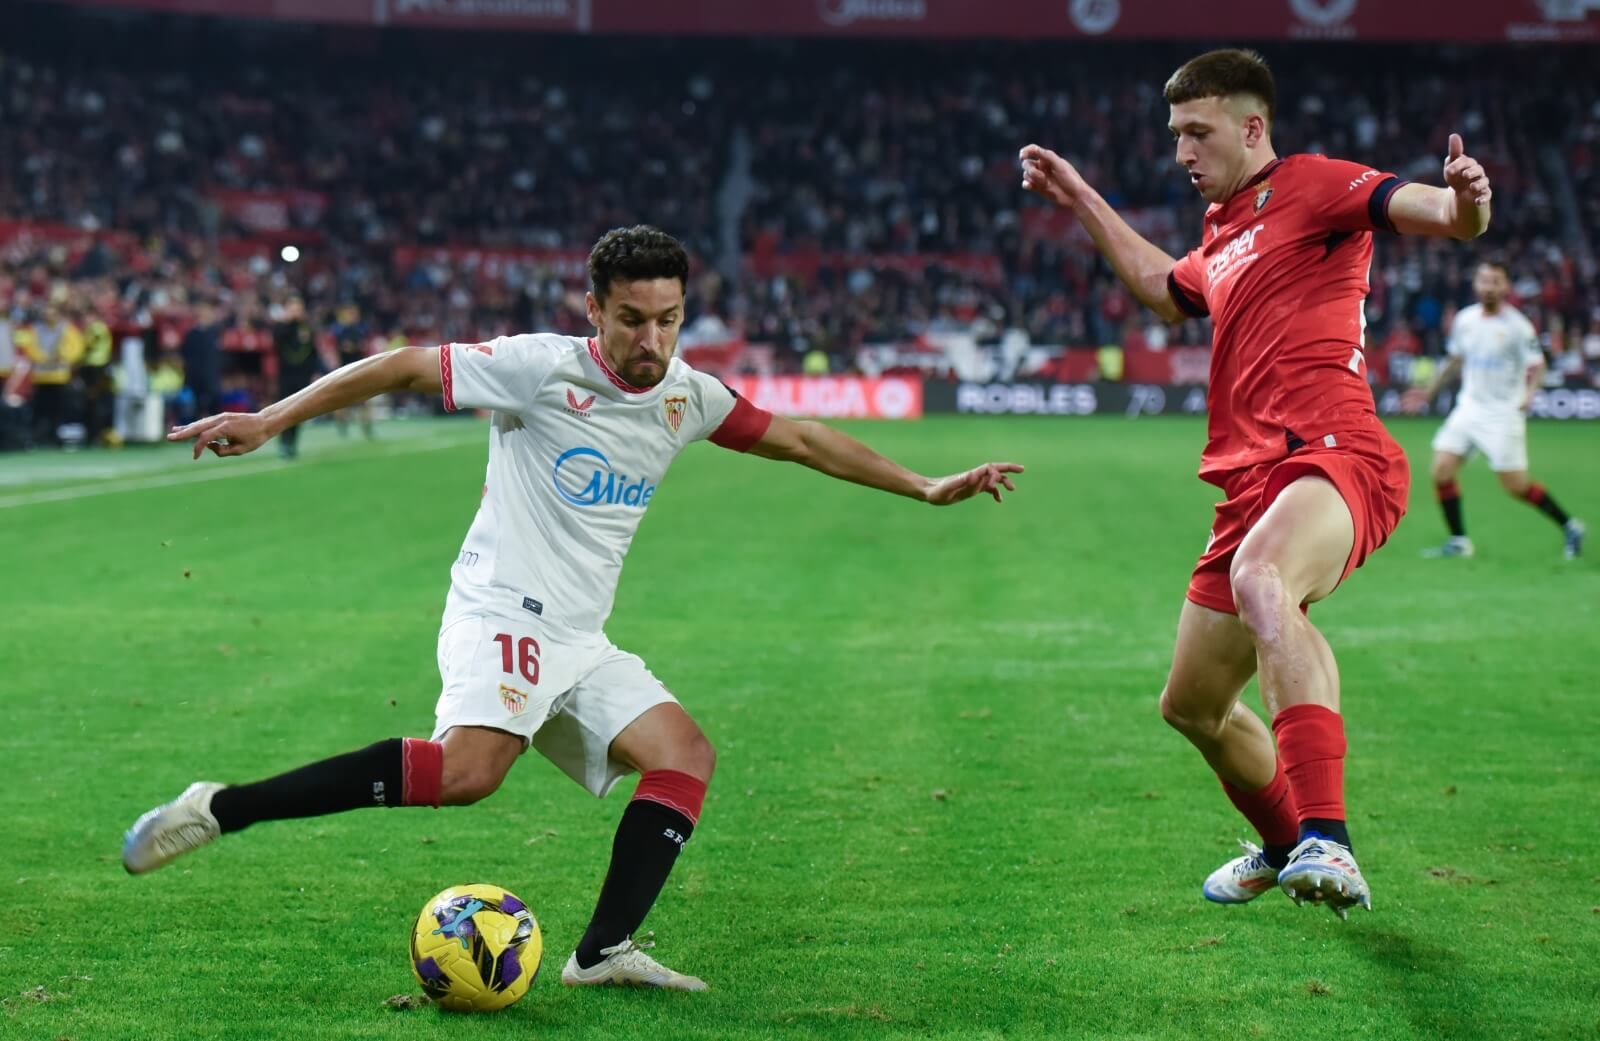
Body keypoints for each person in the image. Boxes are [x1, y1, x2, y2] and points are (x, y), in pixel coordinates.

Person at [124, 226, 1023, 990]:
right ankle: (223, 805)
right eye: (632, 319)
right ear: (594, 310)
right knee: (469, 773)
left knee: (683, 755)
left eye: (668, 319)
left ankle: (600, 952)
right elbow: (400, 367)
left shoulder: (685, 395)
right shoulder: (535, 369)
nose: (651, 338)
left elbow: (799, 437)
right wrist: (275, 419)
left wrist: (925, 485)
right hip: (500, 608)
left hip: (577, 634)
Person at [1020, 48, 1491, 918]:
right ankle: (1282, 847)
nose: (1182, 152)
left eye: (1197, 132)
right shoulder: (1222, 236)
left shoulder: (1314, 185)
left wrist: (1465, 201)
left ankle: (1330, 840)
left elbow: (1428, 212)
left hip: (1335, 452)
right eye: (1174, 136)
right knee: (1192, 706)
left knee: (1264, 579)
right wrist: (1081, 196)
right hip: (1249, 487)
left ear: (1251, 126)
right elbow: (1166, 289)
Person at [1403, 261, 1584, 560]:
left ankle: (1570, 526)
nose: (1488, 286)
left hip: (1502, 414)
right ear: (1476, 284)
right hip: (1469, 408)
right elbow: (1454, 359)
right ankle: (1459, 541)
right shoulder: (1465, 319)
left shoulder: (1517, 326)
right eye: (1484, 280)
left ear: (1506, 287)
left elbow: (1538, 365)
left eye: (1495, 281)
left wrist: (1529, 394)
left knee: (1516, 486)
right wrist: (1429, 391)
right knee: (1441, 470)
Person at [270, 295, 319, 458]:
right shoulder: (280, 327)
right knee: (284, 411)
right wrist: (288, 321)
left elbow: (313, 352)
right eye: (292, 309)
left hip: (303, 376)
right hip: (286, 376)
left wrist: (315, 372)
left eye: (298, 309)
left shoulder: (306, 328)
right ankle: (284, 442)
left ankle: (292, 443)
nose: (296, 312)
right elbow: (277, 340)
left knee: (298, 412)